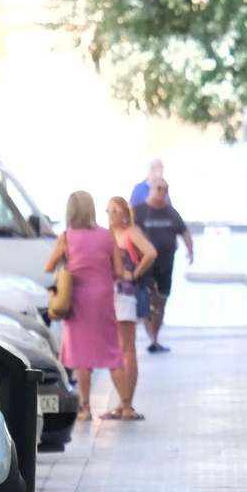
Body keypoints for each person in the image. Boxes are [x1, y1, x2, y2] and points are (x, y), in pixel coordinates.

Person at [44, 191, 124, 421]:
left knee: (81, 355)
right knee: (112, 351)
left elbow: (49, 267)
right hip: (103, 298)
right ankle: (126, 404)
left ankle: (86, 408)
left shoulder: (66, 237)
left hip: (76, 298)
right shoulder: (107, 236)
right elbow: (118, 271)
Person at [105, 196, 158, 421]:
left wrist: (134, 274)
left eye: (115, 211)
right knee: (116, 347)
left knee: (126, 347)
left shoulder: (130, 232)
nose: (111, 215)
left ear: (124, 214)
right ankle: (122, 401)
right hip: (110, 294)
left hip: (125, 293)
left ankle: (127, 402)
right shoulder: (107, 234)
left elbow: (151, 253)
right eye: (108, 211)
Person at [133, 176, 193, 354]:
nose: (162, 193)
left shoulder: (171, 213)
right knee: (149, 301)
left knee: (161, 302)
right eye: (158, 188)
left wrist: (190, 250)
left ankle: (155, 338)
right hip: (146, 264)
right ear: (151, 189)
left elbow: (184, 231)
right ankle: (152, 338)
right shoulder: (139, 210)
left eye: (165, 189)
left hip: (166, 264)